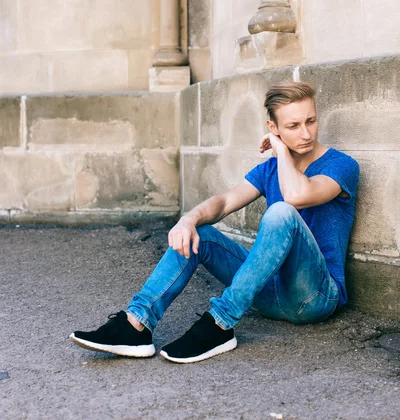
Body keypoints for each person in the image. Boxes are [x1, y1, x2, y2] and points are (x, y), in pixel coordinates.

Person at [70, 81, 360, 364]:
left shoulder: (341, 165)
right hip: (268, 293)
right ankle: (136, 324)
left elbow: (296, 195)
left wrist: (281, 149)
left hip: (315, 297)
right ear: (274, 128)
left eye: (311, 121)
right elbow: (223, 203)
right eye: (293, 126)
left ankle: (220, 324)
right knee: (202, 234)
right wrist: (187, 220)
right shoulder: (269, 169)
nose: (306, 133)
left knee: (281, 212)